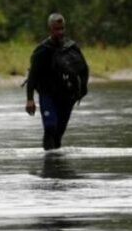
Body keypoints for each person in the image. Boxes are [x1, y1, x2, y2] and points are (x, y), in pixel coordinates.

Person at [25, 13, 89, 151]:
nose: (60, 32)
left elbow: (83, 69)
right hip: (47, 94)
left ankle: (57, 167)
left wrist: (82, 89)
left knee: (59, 133)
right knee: (50, 128)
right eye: (56, 29)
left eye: (62, 28)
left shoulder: (71, 48)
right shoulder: (42, 51)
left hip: (67, 95)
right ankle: (48, 162)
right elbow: (33, 75)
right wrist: (30, 99)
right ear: (50, 29)